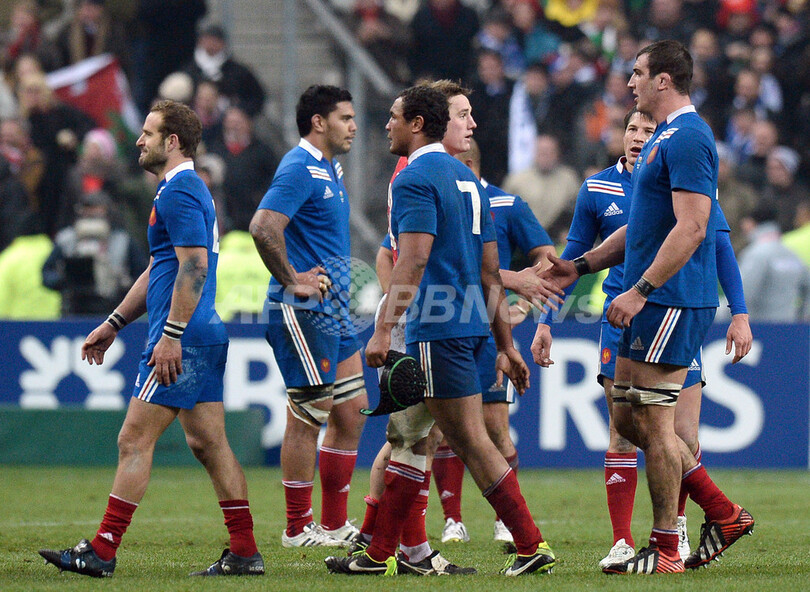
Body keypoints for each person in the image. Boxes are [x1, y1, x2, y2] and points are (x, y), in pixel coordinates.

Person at [538, 40, 755, 575]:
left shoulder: (689, 137)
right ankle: (723, 512)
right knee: (629, 419)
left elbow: (695, 227)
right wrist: (581, 266)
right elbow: (641, 228)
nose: (629, 81)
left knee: (656, 426)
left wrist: (641, 289)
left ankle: (665, 549)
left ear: (663, 80)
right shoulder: (663, 139)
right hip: (654, 300)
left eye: (637, 72)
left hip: (671, 300)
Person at [326, 84, 557, 577]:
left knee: (468, 441)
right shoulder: (468, 178)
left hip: (436, 327)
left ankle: (530, 544)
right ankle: (380, 555)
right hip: (471, 326)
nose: (386, 124)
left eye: (394, 116)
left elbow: (412, 259)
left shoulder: (413, 178)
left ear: (416, 124)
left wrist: (383, 330)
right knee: (412, 437)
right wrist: (504, 344)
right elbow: (490, 270)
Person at [38, 99, 264, 577]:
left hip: (184, 336)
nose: (139, 140)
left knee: (134, 439)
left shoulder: (179, 191)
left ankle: (102, 551)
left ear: (172, 141)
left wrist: (171, 334)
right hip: (202, 332)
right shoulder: (182, 189)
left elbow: (194, 267)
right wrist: (114, 322)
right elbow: (160, 268)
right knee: (210, 444)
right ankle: (245, 552)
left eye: (148, 132)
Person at [249, 85, 367, 548]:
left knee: (352, 412)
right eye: (345, 118)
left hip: (334, 311)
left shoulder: (329, 168)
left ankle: (334, 525)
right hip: (303, 311)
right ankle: (297, 527)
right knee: (309, 414)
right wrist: (292, 279)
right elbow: (263, 226)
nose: (353, 126)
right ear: (318, 122)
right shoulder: (299, 166)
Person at [434, 137, 556, 546]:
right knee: (443, 428)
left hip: (488, 332)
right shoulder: (436, 200)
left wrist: (523, 302)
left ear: (467, 164)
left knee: (493, 426)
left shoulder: (505, 204)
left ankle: (507, 519)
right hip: (445, 325)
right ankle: (453, 520)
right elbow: (391, 253)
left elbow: (548, 257)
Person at [738, 203, 810, 322]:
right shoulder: (791, 254)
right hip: (790, 326)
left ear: (751, 223)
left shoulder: (756, 254)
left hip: (759, 326)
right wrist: (803, 319)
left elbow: (742, 295)